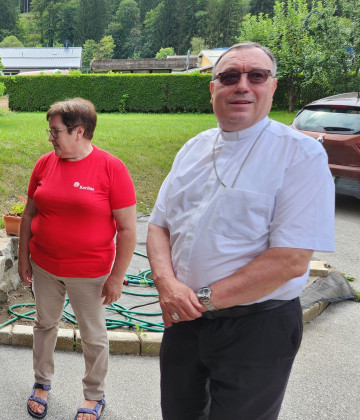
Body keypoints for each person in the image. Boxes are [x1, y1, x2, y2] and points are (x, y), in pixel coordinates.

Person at [146, 42, 335, 420]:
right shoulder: (194, 148)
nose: (242, 86)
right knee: (177, 414)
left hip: (257, 327)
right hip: (184, 321)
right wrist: (167, 285)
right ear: (213, 88)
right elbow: (158, 225)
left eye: (256, 76)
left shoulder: (300, 155)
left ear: (273, 86)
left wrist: (195, 299)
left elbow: (290, 261)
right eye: (230, 76)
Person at [18, 98, 137, 420]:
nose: (50, 138)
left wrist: (116, 276)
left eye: (55, 131)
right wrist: (23, 257)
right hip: (44, 267)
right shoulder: (45, 164)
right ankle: (42, 383)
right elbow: (29, 213)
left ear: (79, 131)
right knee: (44, 325)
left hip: (90, 273)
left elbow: (127, 229)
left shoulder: (111, 168)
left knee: (94, 337)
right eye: (50, 131)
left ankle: (93, 396)